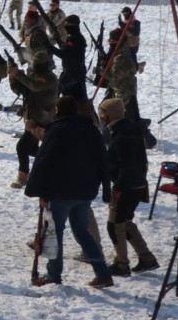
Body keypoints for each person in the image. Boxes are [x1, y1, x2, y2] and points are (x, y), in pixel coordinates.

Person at [25, 96, 115, 288]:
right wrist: (106, 188)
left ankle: (53, 274)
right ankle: (103, 273)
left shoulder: (57, 130)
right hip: (85, 192)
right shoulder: (91, 129)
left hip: (61, 192)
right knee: (82, 232)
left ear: (59, 110)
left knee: (54, 233)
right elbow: (103, 160)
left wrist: (38, 190)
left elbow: (44, 162)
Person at [99, 97, 158, 277]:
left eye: (103, 112)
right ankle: (147, 258)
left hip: (126, 187)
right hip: (135, 184)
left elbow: (127, 166)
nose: (101, 116)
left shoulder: (122, 135)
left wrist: (118, 187)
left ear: (111, 114)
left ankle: (122, 264)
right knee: (124, 222)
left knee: (114, 225)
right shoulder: (126, 129)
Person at [7, 50, 58, 188]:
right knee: (32, 150)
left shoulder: (49, 78)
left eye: (37, 63)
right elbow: (20, 90)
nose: (35, 65)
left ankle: (24, 176)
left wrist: (18, 74)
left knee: (22, 147)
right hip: (33, 119)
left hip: (44, 119)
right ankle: (53, 166)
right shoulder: (33, 75)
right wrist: (13, 76)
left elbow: (35, 86)